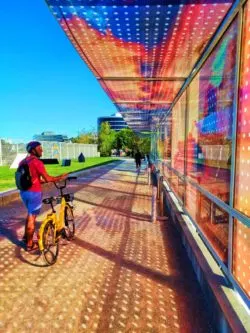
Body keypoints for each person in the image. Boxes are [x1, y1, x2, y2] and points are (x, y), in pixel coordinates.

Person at [19, 141, 68, 251]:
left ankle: (26, 237)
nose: (42, 150)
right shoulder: (37, 162)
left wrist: (40, 182)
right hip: (34, 193)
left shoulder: (23, 162)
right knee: (32, 218)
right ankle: (30, 245)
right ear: (33, 150)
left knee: (30, 214)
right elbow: (47, 178)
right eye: (39, 148)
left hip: (24, 192)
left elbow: (30, 179)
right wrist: (60, 177)